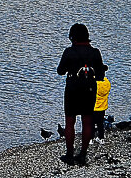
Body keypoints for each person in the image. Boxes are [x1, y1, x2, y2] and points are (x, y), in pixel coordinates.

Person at [57, 23, 106, 166]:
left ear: (72, 37)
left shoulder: (69, 52)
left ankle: (70, 155)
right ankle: (83, 154)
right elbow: (100, 76)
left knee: (70, 122)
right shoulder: (95, 52)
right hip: (89, 89)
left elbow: (60, 71)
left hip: (72, 88)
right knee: (87, 121)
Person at [93, 73, 111, 144]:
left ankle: (91, 139)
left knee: (91, 123)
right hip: (102, 107)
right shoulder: (107, 83)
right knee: (100, 123)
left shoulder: (94, 83)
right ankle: (101, 138)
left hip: (93, 107)